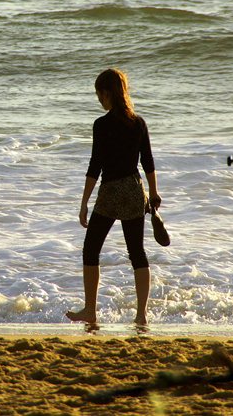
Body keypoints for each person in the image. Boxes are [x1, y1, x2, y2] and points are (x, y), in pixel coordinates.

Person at [66, 68, 162, 327]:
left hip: (110, 192)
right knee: (137, 252)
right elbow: (148, 162)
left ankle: (90, 310)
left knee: (91, 249)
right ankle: (141, 315)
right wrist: (153, 193)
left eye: (99, 94)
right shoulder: (138, 123)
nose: (99, 99)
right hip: (133, 189)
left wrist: (84, 202)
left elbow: (95, 166)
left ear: (107, 93)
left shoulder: (101, 125)